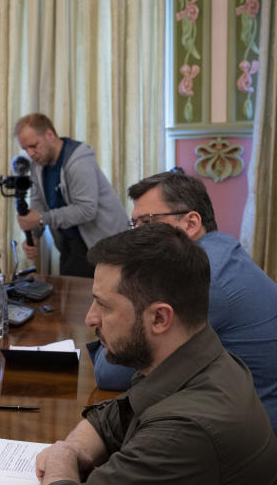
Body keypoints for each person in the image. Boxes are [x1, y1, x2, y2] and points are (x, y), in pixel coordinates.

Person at [30, 224, 277, 485]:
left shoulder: (191, 428)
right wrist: (76, 449)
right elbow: (110, 418)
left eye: (104, 305)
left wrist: (63, 455)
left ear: (160, 319)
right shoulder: (203, 361)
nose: (90, 319)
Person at [89, 171, 277, 431]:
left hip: (250, 435)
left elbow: (110, 374)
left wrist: (112, 312)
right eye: (135, 225)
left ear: (190, 223)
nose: (136, 235)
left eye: (148, 222)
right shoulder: (220, 252)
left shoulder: (204, 277)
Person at [13, 113, 128, 277]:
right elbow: (37, 203)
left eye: (34, 146)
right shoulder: (38, 165)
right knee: (65, 296)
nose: (30, 154)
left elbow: (87, 210)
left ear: (50, 135)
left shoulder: (78, 161)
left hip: (102, 244)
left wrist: (40, 219)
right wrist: (35, 234)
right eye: (25, 149)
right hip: (70, 243)